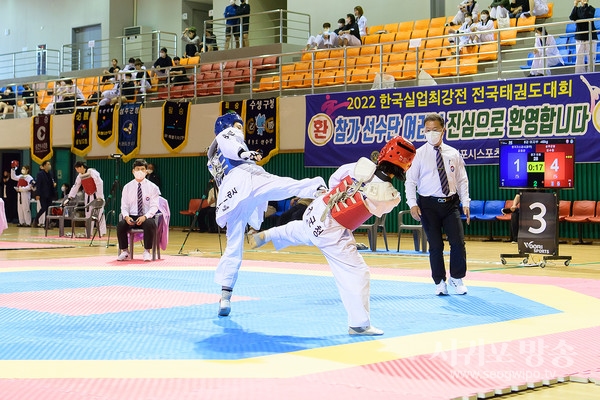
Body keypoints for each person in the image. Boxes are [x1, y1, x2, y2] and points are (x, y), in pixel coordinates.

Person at [250, 137, 417, 336]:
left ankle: (270, 234)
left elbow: (335, 179)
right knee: (356, 272)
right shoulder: (390, 195)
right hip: (333, 230)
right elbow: (377, 211)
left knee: (303, 230)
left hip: (318, 208)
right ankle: (359, 324)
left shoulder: (359, 165)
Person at [207, 112, 326, 317]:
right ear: (226, 125)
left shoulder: (211, 156)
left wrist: (244, 155)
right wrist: (246, 154)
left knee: (233, 243)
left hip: (232, 194)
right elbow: (233, 147)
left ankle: (225, 295)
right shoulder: (226, 135)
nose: (239, 129)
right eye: (237, 124)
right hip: (246, 177)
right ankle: (321, 190)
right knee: (285, 185)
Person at [405, 113, 471, 296]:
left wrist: (465, 201)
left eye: (435, 130)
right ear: (423, 132)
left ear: (444, 131)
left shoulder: (453, 153)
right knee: (435, 245)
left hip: (450, 204)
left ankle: (456, 278)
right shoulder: (418, 155)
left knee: (458, 242)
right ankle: (439, 281)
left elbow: (462, 179)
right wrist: (412, 204)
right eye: (428, 130)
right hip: (428, 205)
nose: (431, 133)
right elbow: (410, 181)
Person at [116, 159, 161, 262]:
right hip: (131, 216)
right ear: (133, 171)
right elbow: (124, 206)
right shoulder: (127, 187)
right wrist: (126, 216)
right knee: (121, 225)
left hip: (146, 216)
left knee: (149, 224)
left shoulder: (153, 187)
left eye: (142, 169)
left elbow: (154, 206)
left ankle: (147, 251)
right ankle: (125, 251)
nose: (140, 171)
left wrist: (145, 216)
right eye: (137, 169)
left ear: (146, 171)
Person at [66, 161, 106, 236]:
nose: (77, 171)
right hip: (88, 195)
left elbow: (99, 183)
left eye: (77, 168)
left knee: (99, 213)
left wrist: (99, 196)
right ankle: (88, 232)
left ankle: (102, 232)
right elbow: (76, 186)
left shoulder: (92, 172)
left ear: (81, 167)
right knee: (88, 214)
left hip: (96, 194)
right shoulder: (80, 176)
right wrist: (70, 197)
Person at [570, 0, 598, 74]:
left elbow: (585, 16)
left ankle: (591, 74)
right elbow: (572, 17)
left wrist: (585, 5)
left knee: (591, 58)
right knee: (579, 58)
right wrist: (575, 5)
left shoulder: (591, 9)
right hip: (580, 36)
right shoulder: (577, 9)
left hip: (591, 36)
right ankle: (579, 75)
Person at [33, 160, 56, 228]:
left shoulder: (50, 174)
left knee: (48, 209)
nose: (49, 165)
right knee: (43, 208)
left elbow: (51, 183)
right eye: (48, 164)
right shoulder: (40, 174)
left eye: (49, 164)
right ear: (44, 166)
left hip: (49, 194)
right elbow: (38, 185)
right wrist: (37, 194)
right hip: (43, 194)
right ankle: (36, 219)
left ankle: (47, 224)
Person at [10, 162, 34, 227]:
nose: (22, 170)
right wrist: (13, 169)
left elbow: (30, 186)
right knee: (20, 208)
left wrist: (22, 189)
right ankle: (21, 222)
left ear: (27, 170)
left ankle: (28, 222)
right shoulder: (21, 176)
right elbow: (13, 177)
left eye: (24, 168)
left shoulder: (29, 177)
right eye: (22, 168)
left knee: (26, 208)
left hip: (25, 194)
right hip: (19, 194)